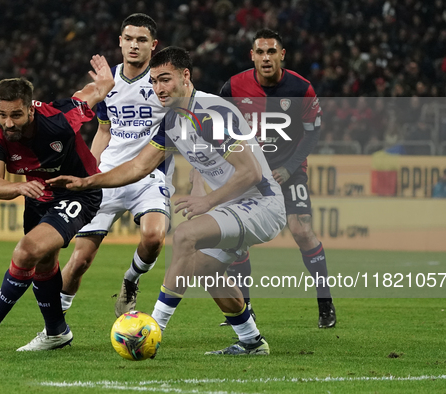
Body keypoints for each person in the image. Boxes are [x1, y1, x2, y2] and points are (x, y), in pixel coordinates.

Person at [48, 47, 287, 355]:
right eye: (154, 82)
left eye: (165, 79)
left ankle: (153, 329)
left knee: (186, 235)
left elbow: (251, 172)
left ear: (185, 76)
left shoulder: (211, 112)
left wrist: (207, 201)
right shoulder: (173, 122)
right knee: (204, 269)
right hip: (233, 207)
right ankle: (252, 341)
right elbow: (138, 167)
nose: (159, 88)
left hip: (263, 204)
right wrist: (87, 181)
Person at [0, 54, 115, 353]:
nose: (8, 123)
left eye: (16, 115)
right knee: (44, 262)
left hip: (78, 193)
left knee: (26, 250)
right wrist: (20, 186)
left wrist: (105, 82)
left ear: (30, 109)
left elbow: (89, 95)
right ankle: (56, 332)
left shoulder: (58, 119)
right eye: (2, 114)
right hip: (37, 194)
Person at [217, 29, 336, 328]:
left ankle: (325, 301)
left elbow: (313, 133)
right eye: (260, 52)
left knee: (301, 230)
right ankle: (246, 308)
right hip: (249, 173)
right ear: (252, 56)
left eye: (272, 52)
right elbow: (213, 120)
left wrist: (290, 167)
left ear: (282, 55)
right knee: (237, 239)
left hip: (289, 170)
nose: (266, 58)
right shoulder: (233, 87)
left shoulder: (301, 89)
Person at [58, 14, 172, 318]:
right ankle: (54, 326)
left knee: (153, 237)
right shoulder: (107, 83)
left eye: (142, 40)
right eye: (129, 39)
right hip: (107, 175)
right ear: (120, 41)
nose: (134, 45)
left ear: (153, 45)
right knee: (80, 259)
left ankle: (130, 281)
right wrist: (89, 171)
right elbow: (104, 131)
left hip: (149, 174)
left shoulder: (164, 82)